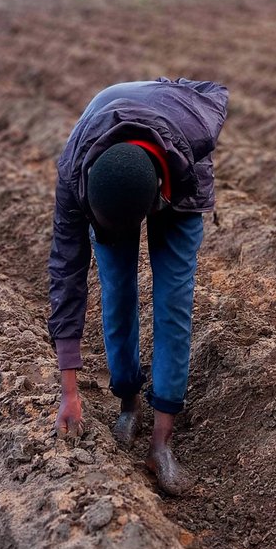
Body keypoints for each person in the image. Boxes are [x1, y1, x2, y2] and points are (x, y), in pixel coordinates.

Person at [49, 78, 229, 495]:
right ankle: (128, 401)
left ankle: (161, 443)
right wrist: (69, 390)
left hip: (175, 166)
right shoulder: (76, 174)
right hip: (111, 161)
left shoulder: (193, 140)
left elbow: (214, 90)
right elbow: (66, 274)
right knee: (118, 288)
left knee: (172, 302)